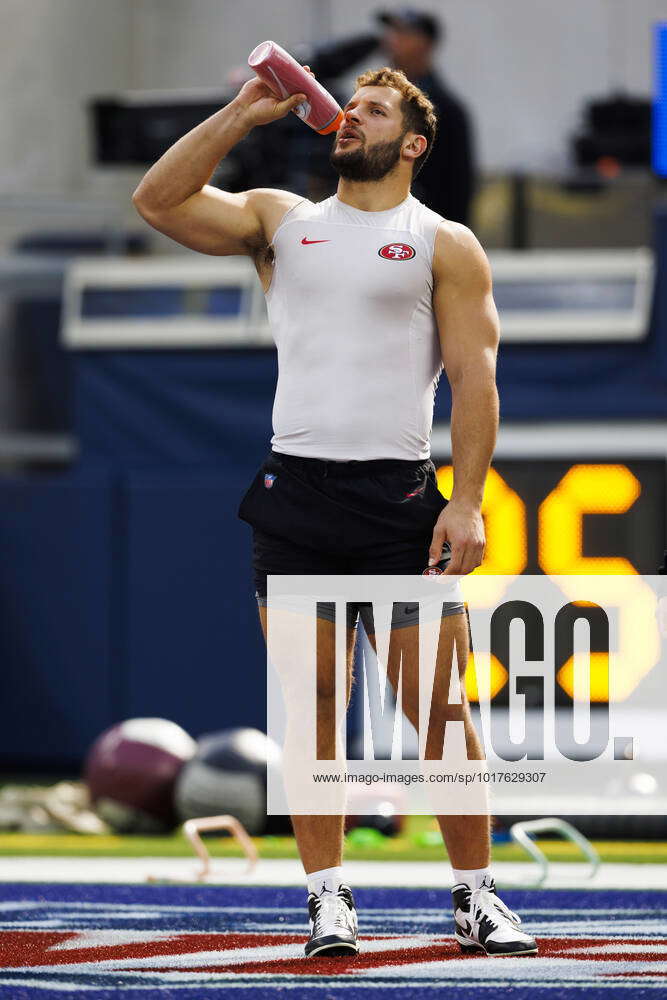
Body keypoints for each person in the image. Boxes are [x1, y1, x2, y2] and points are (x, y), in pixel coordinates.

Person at [132, 63, 537, 960]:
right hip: (296, 497)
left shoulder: (443, 242)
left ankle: (474, 898)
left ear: (413, 142)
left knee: (436, 712)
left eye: (375, 110)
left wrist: (464, 503)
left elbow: (475, 380)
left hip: (396, 499)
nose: (350, 117)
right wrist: (242, 110)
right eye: (347, 106)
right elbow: (159, 201)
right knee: (313, 709)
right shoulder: (281, 220)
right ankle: (327, 900)